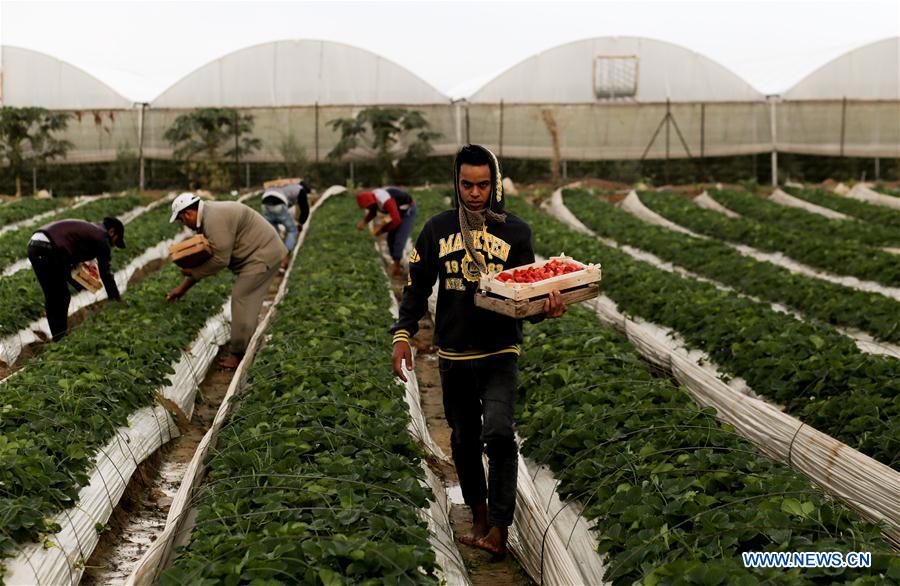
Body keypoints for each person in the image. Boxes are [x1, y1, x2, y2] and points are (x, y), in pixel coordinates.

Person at [390, 144, 566, 557]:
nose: (474, 193)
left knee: (499, 433)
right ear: (457, 183)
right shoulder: (437, 229)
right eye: (466, 184)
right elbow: (417, 287)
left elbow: (527, 294)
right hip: (454, 355)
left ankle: (500, 530)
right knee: (464, 440)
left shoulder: (516, 232)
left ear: (495, 185)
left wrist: (546, 308)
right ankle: (480, 518)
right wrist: (402, 334)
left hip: (500, 350)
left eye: (482, 185)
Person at [165, 192, 287, 369]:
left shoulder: (214, 220)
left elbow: (220, 260)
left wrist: (193, 271)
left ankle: (238, 355)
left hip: (261, 256)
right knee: (247, 301)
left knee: (241, 298)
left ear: (188, 213)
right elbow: (208, 256)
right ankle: (250, 344)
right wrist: (182, 288)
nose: (184, 224)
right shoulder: (207, 216)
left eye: (182, 220)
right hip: (259, 255)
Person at [27, 216, 127, 341]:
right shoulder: (102, 238)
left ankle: (59, 337)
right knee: (59, 297)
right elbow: (106, 273)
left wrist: (81, 283)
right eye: (116, 241)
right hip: (48, 248)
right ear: (112, 232)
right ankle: (60, 338)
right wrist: (115, 298)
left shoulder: (91, 231)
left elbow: (69, 259)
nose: (113, 246)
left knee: (56, 296)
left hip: (35, 245)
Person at [356, 187, 417, 276]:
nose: (368, 208)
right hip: (398, 210)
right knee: (390, 238)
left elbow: (396, 220)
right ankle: (397, 265)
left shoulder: (384, 199)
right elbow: (373, 211)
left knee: (399, 237)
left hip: (408, 210)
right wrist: (364, 222)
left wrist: (382, 230)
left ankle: (404, 268)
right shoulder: (373, 199)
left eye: (368, 206)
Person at [261, 180, 311, 269]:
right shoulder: (300, 190)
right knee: (293, 230)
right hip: (278, 202)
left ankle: (273, 259)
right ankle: (285, 258)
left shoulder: (288, 187)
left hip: (264, 203)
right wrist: (300, 223)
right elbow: (305, 209)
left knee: (274, 234)